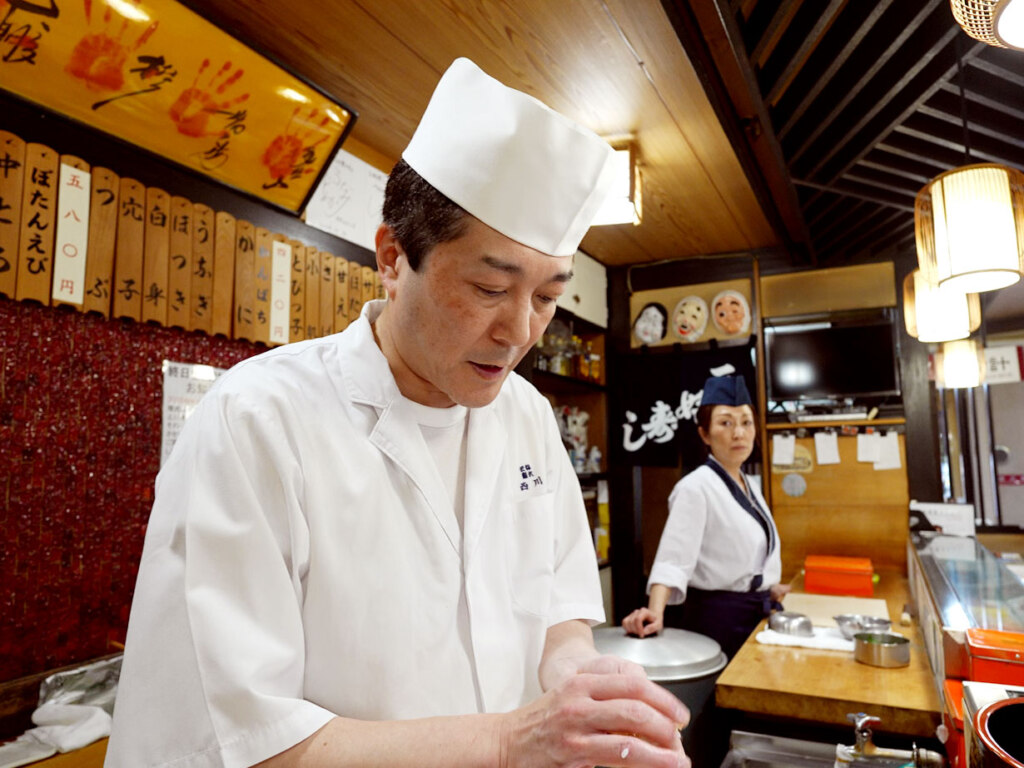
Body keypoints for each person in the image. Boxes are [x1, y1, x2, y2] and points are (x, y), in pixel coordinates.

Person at [105, 58, 690, 768]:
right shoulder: (258, 420)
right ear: (391, 256)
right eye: (488, 286)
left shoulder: (527, 417)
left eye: (545, 298)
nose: (519, 332)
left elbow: (559, 605)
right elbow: (240, 742)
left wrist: (577, 678)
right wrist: (510, 740)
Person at [622, 375, 789, 659]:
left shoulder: (752, 486)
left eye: (746, 422)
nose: (739, 433)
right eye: (726, 423)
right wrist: (655, 611)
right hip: (718, 622)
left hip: (755, 616)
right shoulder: (695, 487)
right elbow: (673, 560)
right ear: (704, 434)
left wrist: (768, 587)